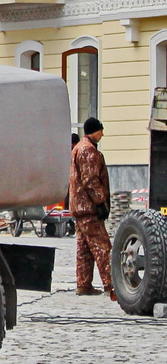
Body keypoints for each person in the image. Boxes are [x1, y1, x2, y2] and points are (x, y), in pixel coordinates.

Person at [69, 117, 115, 301]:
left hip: (79, 207)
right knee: (103, 247)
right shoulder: (88, 150)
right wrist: (100, 203)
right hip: (88, 207)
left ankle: (83, 284)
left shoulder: (78, 148)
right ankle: (112, 285)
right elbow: (90, 180)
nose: (102, 134)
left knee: (84, 249)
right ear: (94, 131)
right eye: (101, 130)